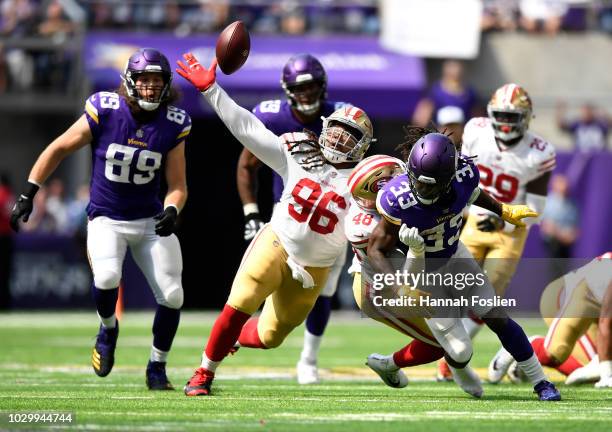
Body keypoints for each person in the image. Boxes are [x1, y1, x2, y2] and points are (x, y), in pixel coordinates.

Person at [176, 52, 373, 396]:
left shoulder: (364, 181)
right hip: (278, 240)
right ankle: (204, 372)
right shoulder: (295, 149)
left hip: (315, 266)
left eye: (349, 136)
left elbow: (370, 224)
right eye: (336, 132)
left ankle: (235, 339)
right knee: (238, 304)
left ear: (363, 145)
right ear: (324, 129)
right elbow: (247, 129)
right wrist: (211, 90)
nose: (339, 140)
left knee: (270, 337)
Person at [10, 48, 190, 390]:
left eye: (157, 81)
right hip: (107, 217)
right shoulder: (106, 110)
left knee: (173, 294)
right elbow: (59, 147)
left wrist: (172, 209)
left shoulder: (175, 123)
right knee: (107, 276)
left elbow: (178, 185)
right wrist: (28, 193)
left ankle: (157, 367)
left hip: (149, 221)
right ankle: (108, 329)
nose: (151, 88)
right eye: (145, 80)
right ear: (130, 82)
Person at [367, 128, 561, 401]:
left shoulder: (463, 176)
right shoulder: (397, 199)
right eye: (419, 183)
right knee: (460, 352)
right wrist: (398, 286)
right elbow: (376, 248)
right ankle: (399, 364)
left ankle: (542, 382)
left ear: (448, 178)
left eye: (431, 185)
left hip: (457, 258)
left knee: (497, 317)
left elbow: (473, 194)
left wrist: (503, 210)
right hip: (424, 274)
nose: (423, 190)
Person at [236, 54, 349, 385]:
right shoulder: (273, 117)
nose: (307, 94)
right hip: (287, 217)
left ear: (323, 86)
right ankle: (231, 337)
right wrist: (251, 212)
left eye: (313, 86)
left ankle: (308, 359)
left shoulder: (340, 115)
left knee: (324, 291)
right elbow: (246, 166)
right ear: (287, 90)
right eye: (300, 88)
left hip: (331, 219)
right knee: (257, 285)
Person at [437, 83, 556, 381]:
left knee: (486, 298)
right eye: (500, 115)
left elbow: (537, 208)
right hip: (474, 221)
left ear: (526, 118)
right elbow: (461, 176)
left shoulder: (539, 152)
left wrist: (503, 220)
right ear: (490, 114)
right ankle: (449, 350)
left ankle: (450, 359)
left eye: (511, 116)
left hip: (511, 230)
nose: (505, 122)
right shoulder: (476, 131)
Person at [346, 155, 483, 398]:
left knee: (450, 335)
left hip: (411, 274)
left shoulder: (404, 197)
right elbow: (406, 277)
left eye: (396, 177)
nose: (396, 186)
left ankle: (391, 364)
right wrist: (418, 249)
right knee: (440, 342)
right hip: (380, 288)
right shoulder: (365, 225)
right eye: (384, 185)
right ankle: (389, 364)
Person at [492, 253, 612, 388]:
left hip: (596, 312)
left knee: (590, 371)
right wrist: (607, 373)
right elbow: (605, 322)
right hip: (567, 296)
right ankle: (526, 345)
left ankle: (524, 362)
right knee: (557, 351)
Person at [412, 60, 479, 128]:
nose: (455, 71)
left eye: (456, 68)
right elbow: (421, 116)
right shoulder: (435, 91)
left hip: (461, 130)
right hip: (440, 128)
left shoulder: (470, 92)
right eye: (451, 68)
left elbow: (476, 114)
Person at [0, 173, 14, 310]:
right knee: (6, 272)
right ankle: (5, 302)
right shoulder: (10, 195)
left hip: (2, 236)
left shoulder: (1, 194)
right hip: (8, 237)